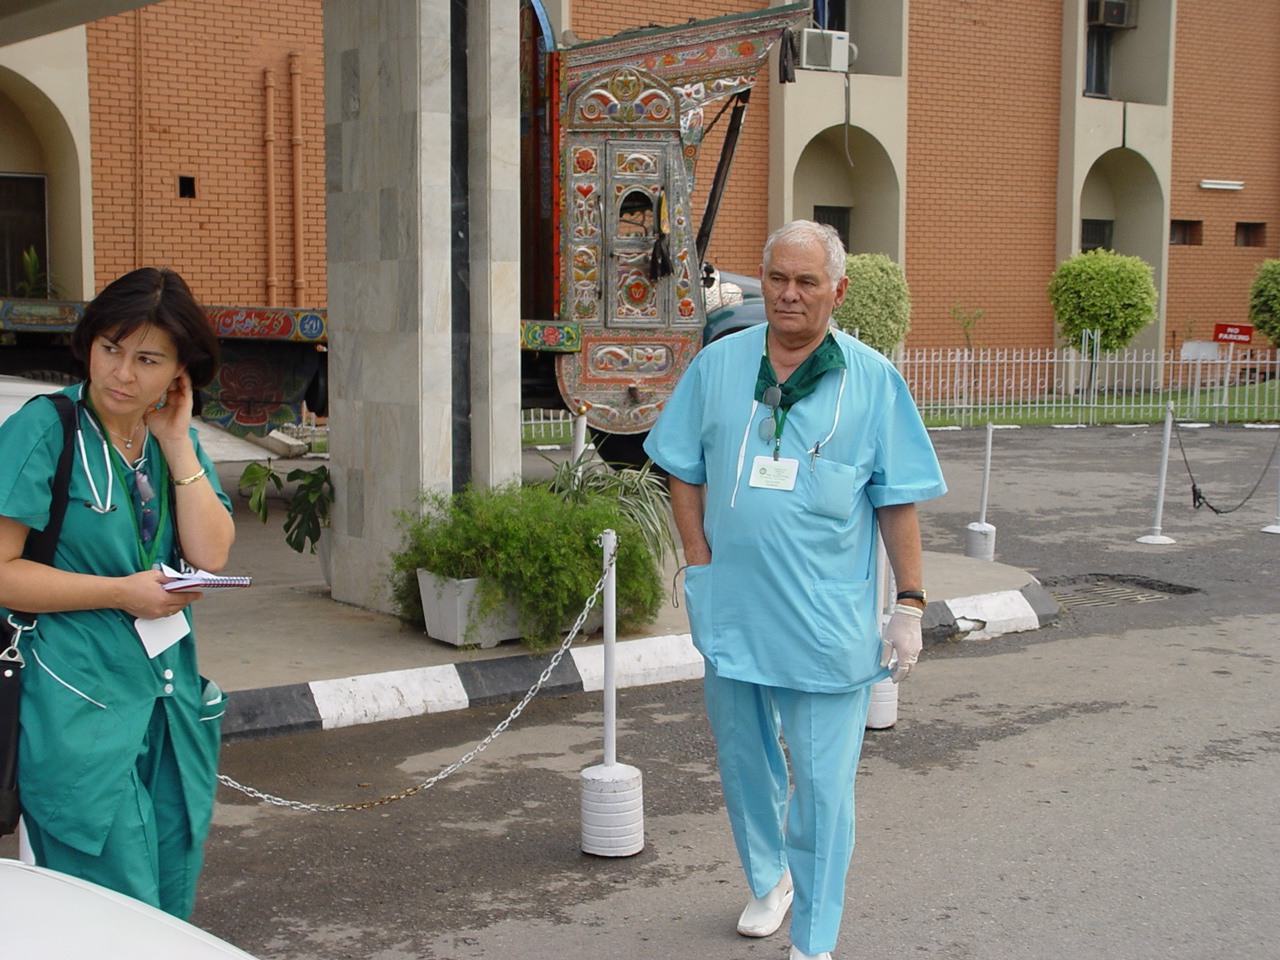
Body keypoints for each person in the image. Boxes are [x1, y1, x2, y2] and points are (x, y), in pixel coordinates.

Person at [643, 221, 946, 960]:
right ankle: (768, 879)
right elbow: (682, 466)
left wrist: (909, 603)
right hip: (735, 611)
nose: (788, 294)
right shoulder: (719, 364)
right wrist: (698, 559)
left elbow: (896, 499)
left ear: (837, 291)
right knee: (745, 762)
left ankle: (814, 940)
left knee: (822, 790)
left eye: (807, 281)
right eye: (777, 277)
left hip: (824, 627)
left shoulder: (873, 380)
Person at [0, 267, 235, 918]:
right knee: (109, 915)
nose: (122, 374)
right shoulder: (47, 429)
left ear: (180, 372)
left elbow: (212, 553)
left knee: (169, 905)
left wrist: (177, 444)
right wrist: (119, 593)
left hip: (169, 705)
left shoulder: (168, 438)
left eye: (148, 360)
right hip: (77, 708)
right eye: (111, 349)